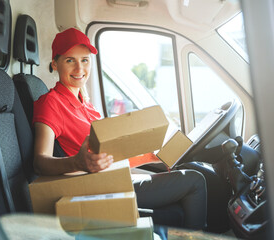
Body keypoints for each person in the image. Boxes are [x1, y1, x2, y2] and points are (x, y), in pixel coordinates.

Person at [32, 28, 207, 234]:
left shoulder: (88, 106)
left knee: (182, 197)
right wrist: (76, 162)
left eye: (85, 60)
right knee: (195, 180)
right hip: (94, 188)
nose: (80, 68)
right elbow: (39, 161)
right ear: (55, 64)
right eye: (70, 60)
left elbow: (109, 159)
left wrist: (149, 157)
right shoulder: (50, 103)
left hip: (112, 178)